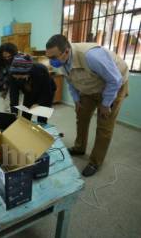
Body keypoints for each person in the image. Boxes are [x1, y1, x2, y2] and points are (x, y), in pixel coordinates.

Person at [46, 34, 129, 177]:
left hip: (114, 85)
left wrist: (106, 104)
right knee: (81, 115)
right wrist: (76, 100)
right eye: (49, 57)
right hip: (90, 87)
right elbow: (70, 82)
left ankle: (95, 162)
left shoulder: (91, 56)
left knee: (104, 125)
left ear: (66, 51)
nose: (51, 61)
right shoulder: (61, 61)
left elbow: (115, 80)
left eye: (53, 57)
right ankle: (79, 148)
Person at [9, 53, 56, 124]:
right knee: (25, 115)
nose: (17, 78)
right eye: (15, 76)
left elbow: (47, 91)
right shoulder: (13, 75)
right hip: (29, 91)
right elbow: (13, 95)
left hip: (46, 92)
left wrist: (39, 103)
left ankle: (41, 129)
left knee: (42, 117)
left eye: (19, 76)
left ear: (26, 72)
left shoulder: (40, 70)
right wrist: (13, 114)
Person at [0, 43, 18, 112]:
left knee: (17, 107)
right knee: (7, 108)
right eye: (5, 57)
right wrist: (1, 89)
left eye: (9, 56)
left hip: (17, 87)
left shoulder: (17, 60)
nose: (7, 58)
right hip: (5, 87)